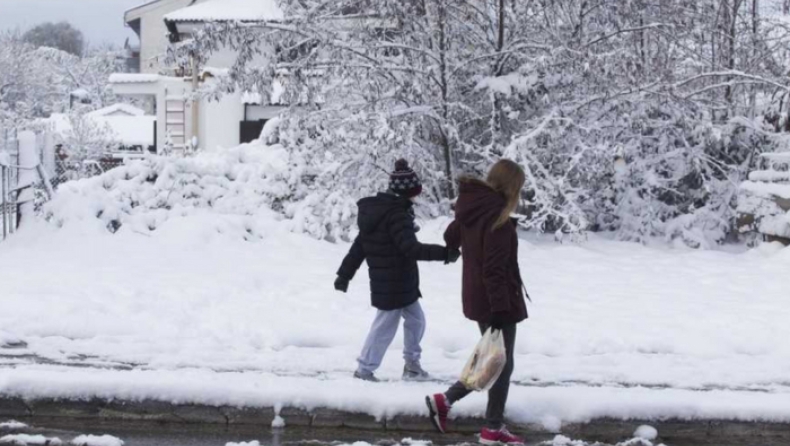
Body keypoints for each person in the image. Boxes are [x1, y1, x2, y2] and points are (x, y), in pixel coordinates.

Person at [425, 159, 529, 445]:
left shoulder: (474, 208)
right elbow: (494, 270)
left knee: (493, 359)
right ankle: (489, 426)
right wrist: (500, 309)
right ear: (512, 187)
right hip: (496, 303)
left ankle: (449, 403)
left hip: (478, 298)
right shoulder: (498, 219)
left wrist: (464, 224)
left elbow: (450, 238)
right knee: (500, 363)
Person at [335, 159, 461, 382]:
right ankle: (364, 370)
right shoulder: (396, 215)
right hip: (392, 284)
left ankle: (412, 366)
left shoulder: (384, 212)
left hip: (401, 283)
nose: (417, 197)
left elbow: (359, 247)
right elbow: (410, 249)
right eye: (415, 193)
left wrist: (344, 275)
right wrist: (445, 253)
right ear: (408, 193)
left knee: (417, 321)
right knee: (384, 327)